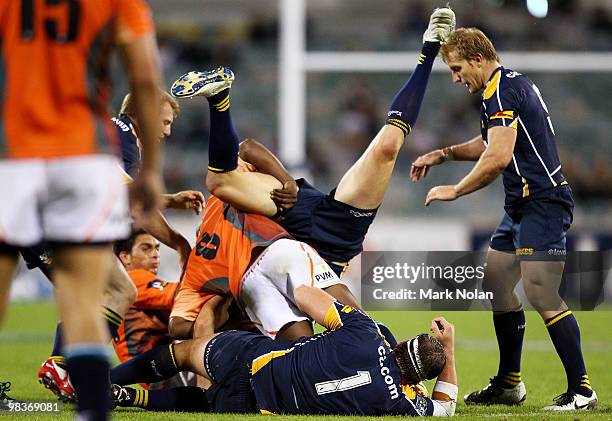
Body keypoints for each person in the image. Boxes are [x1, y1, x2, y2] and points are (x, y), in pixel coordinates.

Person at [168, 6, 456, 340]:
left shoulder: (208, 248)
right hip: (296, 256)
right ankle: (219, 99)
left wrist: (287, 180)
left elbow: (246, 147)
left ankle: (430, 46)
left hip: (309, 219)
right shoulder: (210, 268)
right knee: (218, 182)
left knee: (388, 146)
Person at [410, 28, 597, 411]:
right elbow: (487, 143)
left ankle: (583, 391)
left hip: (543, 201)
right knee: (497, 282)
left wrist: (455, 189)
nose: (455, 77)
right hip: (520, 206)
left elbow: (496, 157)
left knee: (541, 290)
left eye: (458, 68)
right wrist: (443, 153)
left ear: (479, 59)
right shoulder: (502, 87)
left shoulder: (501, 91)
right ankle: (510, 384)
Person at [0, 1, 164, 419]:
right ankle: (91, 411)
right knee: (84, 302)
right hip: (82, 156)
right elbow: (145, 79)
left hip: (11, 154)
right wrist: (154, 171)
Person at [29, 90, 203, 402]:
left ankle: (61, 366)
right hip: (50, 221)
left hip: (49, 217)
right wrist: (177, 241)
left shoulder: (115, 134)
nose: (167, 131)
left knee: (102, 293)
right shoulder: (123, 138)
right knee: (116, 291)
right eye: (164, 122)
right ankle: (66, 368)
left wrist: (171, 201)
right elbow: (136, 207)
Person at [111, 285, 458, 416]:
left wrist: (348, 322)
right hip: (257, 405)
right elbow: (446, 409)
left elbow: (305, 293)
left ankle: (102, 382)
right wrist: (449, 353)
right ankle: (129, 399)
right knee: (203, 403)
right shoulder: (400, 402)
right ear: (417, 380)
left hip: (250, 357)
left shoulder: (366, 332)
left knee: (183, 353)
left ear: (399, 343)